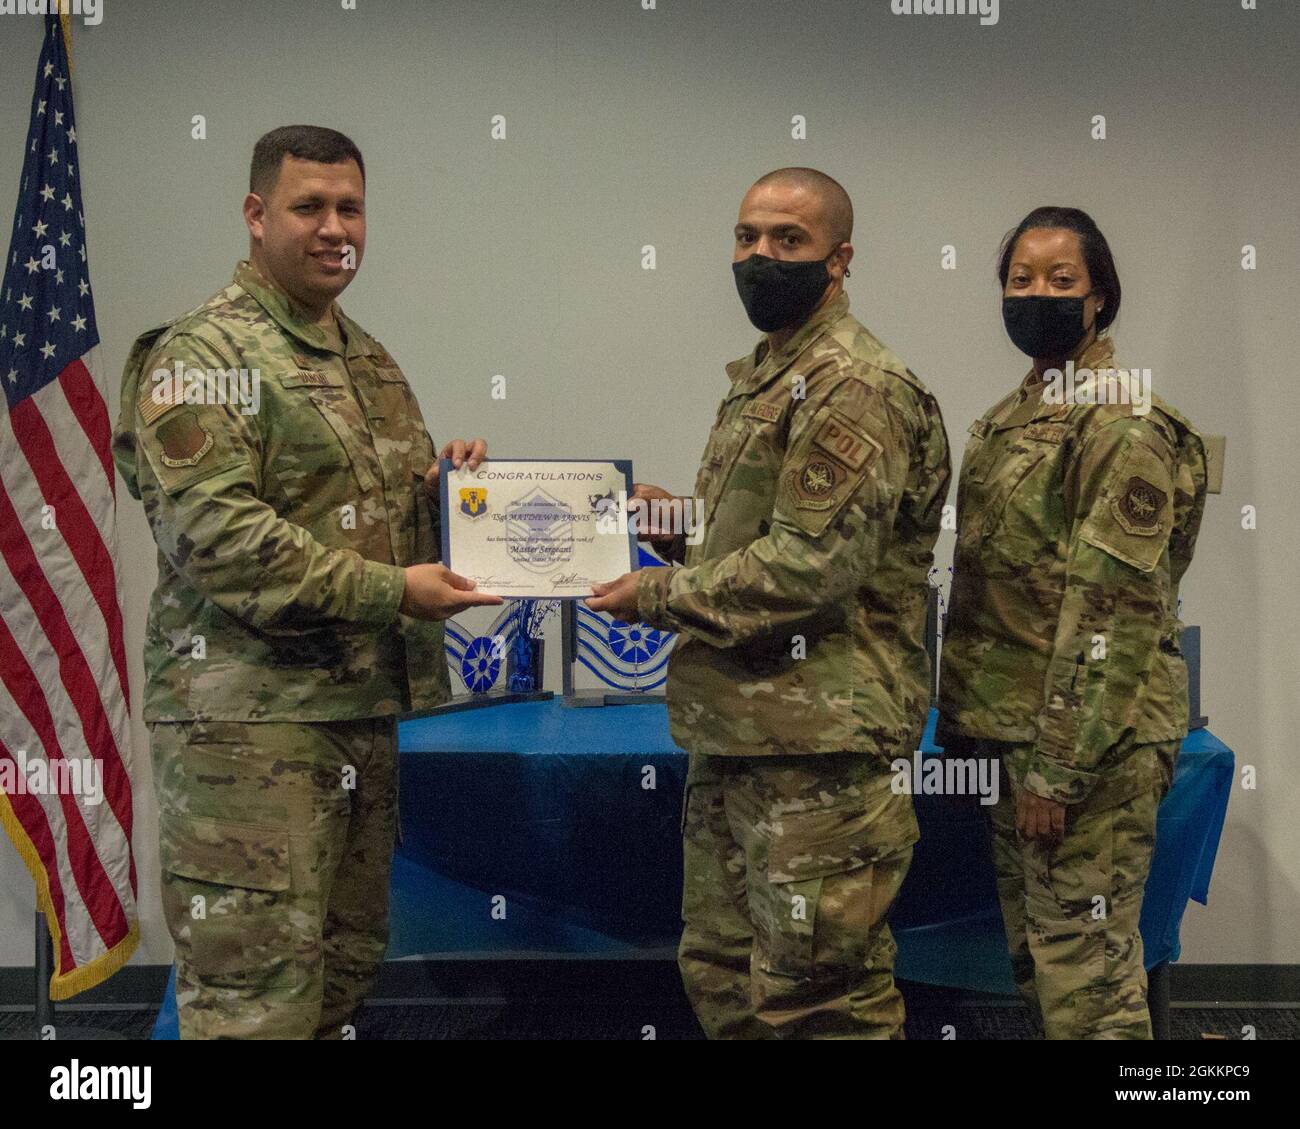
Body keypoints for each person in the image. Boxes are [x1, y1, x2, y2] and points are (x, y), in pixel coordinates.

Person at [112, 125, 501, 1039]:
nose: (335, 228)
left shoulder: (365, 360)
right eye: (309, 207)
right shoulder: (203, 357)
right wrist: (392, 590)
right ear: (256, 215)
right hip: (248, 736)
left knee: (337, 987)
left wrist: (462, 498)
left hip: (357, 721)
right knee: (254, 1009)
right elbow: (222, 539)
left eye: (350, 207)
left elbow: (365, 520)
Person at [588, 167, 951, 1039]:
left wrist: (659, 590)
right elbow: (767, 531)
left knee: (821, 1000)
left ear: (840, 259)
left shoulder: (852, 384)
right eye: (747, 237)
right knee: (724, 976)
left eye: (788, 240)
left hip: (818, 755)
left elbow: (811, 565)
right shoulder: (771, 375)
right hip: (741, 737)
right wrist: (682, 527)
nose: (760, 256)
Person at [936, 206, 1208, 1039]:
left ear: (1100, 299)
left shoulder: (1119, 421)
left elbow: (1112, 613)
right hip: (1017, 733)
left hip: (1086, 748)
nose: (1037, 293)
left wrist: (1058, 768)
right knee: (1042, 965)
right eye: (1021, 278)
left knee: (1087, 984)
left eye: (1061, 279)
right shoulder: (1015, 417)